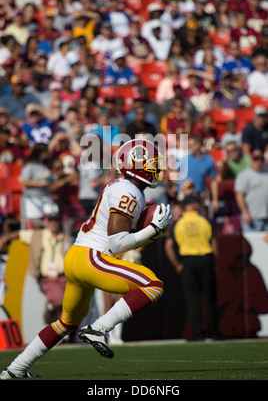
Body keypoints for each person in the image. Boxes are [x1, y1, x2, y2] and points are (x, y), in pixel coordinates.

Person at [0, 138, 172, 378]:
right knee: (153, 285)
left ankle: (15, 370)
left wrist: (147, 233)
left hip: (77, 258)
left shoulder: (124, 187)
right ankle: (100, 328)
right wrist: (152, 231)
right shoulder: (129, 191)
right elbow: (117, 242)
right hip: (93, 258)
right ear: (135, 166)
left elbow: (120, 238)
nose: (156, 168)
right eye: (152, 164)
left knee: (65, 323)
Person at [0, 206, 72, 324]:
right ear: (47, 222)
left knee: (69, 306)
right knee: (60, 301)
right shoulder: (38, 235)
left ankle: (61, 329)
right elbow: (19, 233)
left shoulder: (66, 238)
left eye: (55, 220)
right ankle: (50, 314)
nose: (53, 223)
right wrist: (5, 238)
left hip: (65, 277)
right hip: (48, 278)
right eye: (51, 220)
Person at [165, 192, 220, 341]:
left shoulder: (179, 222)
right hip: (206, 259)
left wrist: (177, 265)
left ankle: (198, 333)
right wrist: (215, 263)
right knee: (210, 298)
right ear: (194, 205)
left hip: (188, 261)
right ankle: (214, 332)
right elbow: (214, 245)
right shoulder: (204, 220)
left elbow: (168, 246)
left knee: (192, 299)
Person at [178, 135, 219, 213]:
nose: (189, 147)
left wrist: (215, 200)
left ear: (198, 145)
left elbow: (214, 180)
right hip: (184, 196)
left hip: (200, 197)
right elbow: (174, 173)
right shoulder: (185, 159)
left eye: (191, 145)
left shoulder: (208, 160)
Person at [235, 149, 268, 233]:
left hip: (266, 216)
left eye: (260, 159)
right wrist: (245, 212)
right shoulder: (244, 175)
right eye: (256, 159)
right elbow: (239, 195)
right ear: (251, 160)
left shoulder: (266, 173)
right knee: (252, 244)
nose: (258, 162)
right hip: (253, 217)